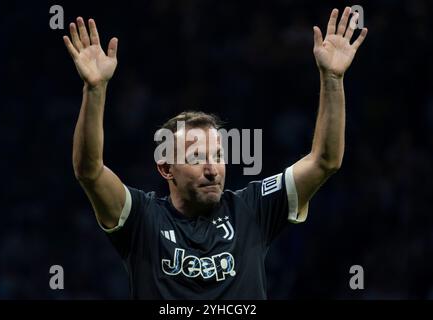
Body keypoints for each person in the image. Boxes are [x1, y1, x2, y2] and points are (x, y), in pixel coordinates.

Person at [63, 7, 367, 299]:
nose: (213, 169)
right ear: (166, 169)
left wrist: (333, 79)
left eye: (219, 156)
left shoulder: (252, 210)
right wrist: (95, 89)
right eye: (196, 159)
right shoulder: (141, 218)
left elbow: (325, 161)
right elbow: (89, 171)